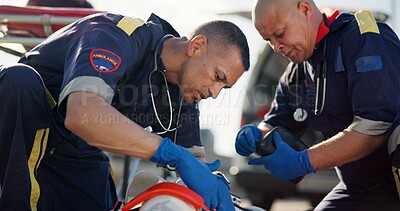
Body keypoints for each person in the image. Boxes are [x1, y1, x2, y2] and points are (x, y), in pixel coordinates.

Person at [0, 10, 250, 210]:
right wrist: (168, 151)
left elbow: (194, 162)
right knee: (19, 81)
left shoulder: (183, 93)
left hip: (74, 150)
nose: (215, 93)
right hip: (22, 129)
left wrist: (214, 182)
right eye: (217, 76)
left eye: (224, 88)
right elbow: (82, 115)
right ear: (196, 46)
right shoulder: (117, 35)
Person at [235, 0, 400, 210]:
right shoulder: (297, 72)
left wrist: (305, 161)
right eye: (269, 40)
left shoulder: (362, 40)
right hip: (358, 188)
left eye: (280, 34)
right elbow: (276, 123)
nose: (276, 47)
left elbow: (376, 125)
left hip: (395, 184)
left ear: (304, 9)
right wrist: (256, 135)